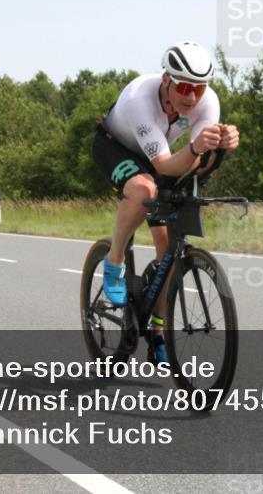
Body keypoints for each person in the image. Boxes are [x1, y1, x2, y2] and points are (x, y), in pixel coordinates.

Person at [92, 41, 240, 362]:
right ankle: (114, 261)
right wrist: (197, 148)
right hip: (116, 147)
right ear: (165, 81)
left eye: (198, 89)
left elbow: (195, 165)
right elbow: (162, 167)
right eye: (184, 87)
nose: (191, 97)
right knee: (144, 190)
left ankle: (158, 329)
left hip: (164, 157)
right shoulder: (138, 101)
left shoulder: (207, 103)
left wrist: (220, 150)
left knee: (168, 249)